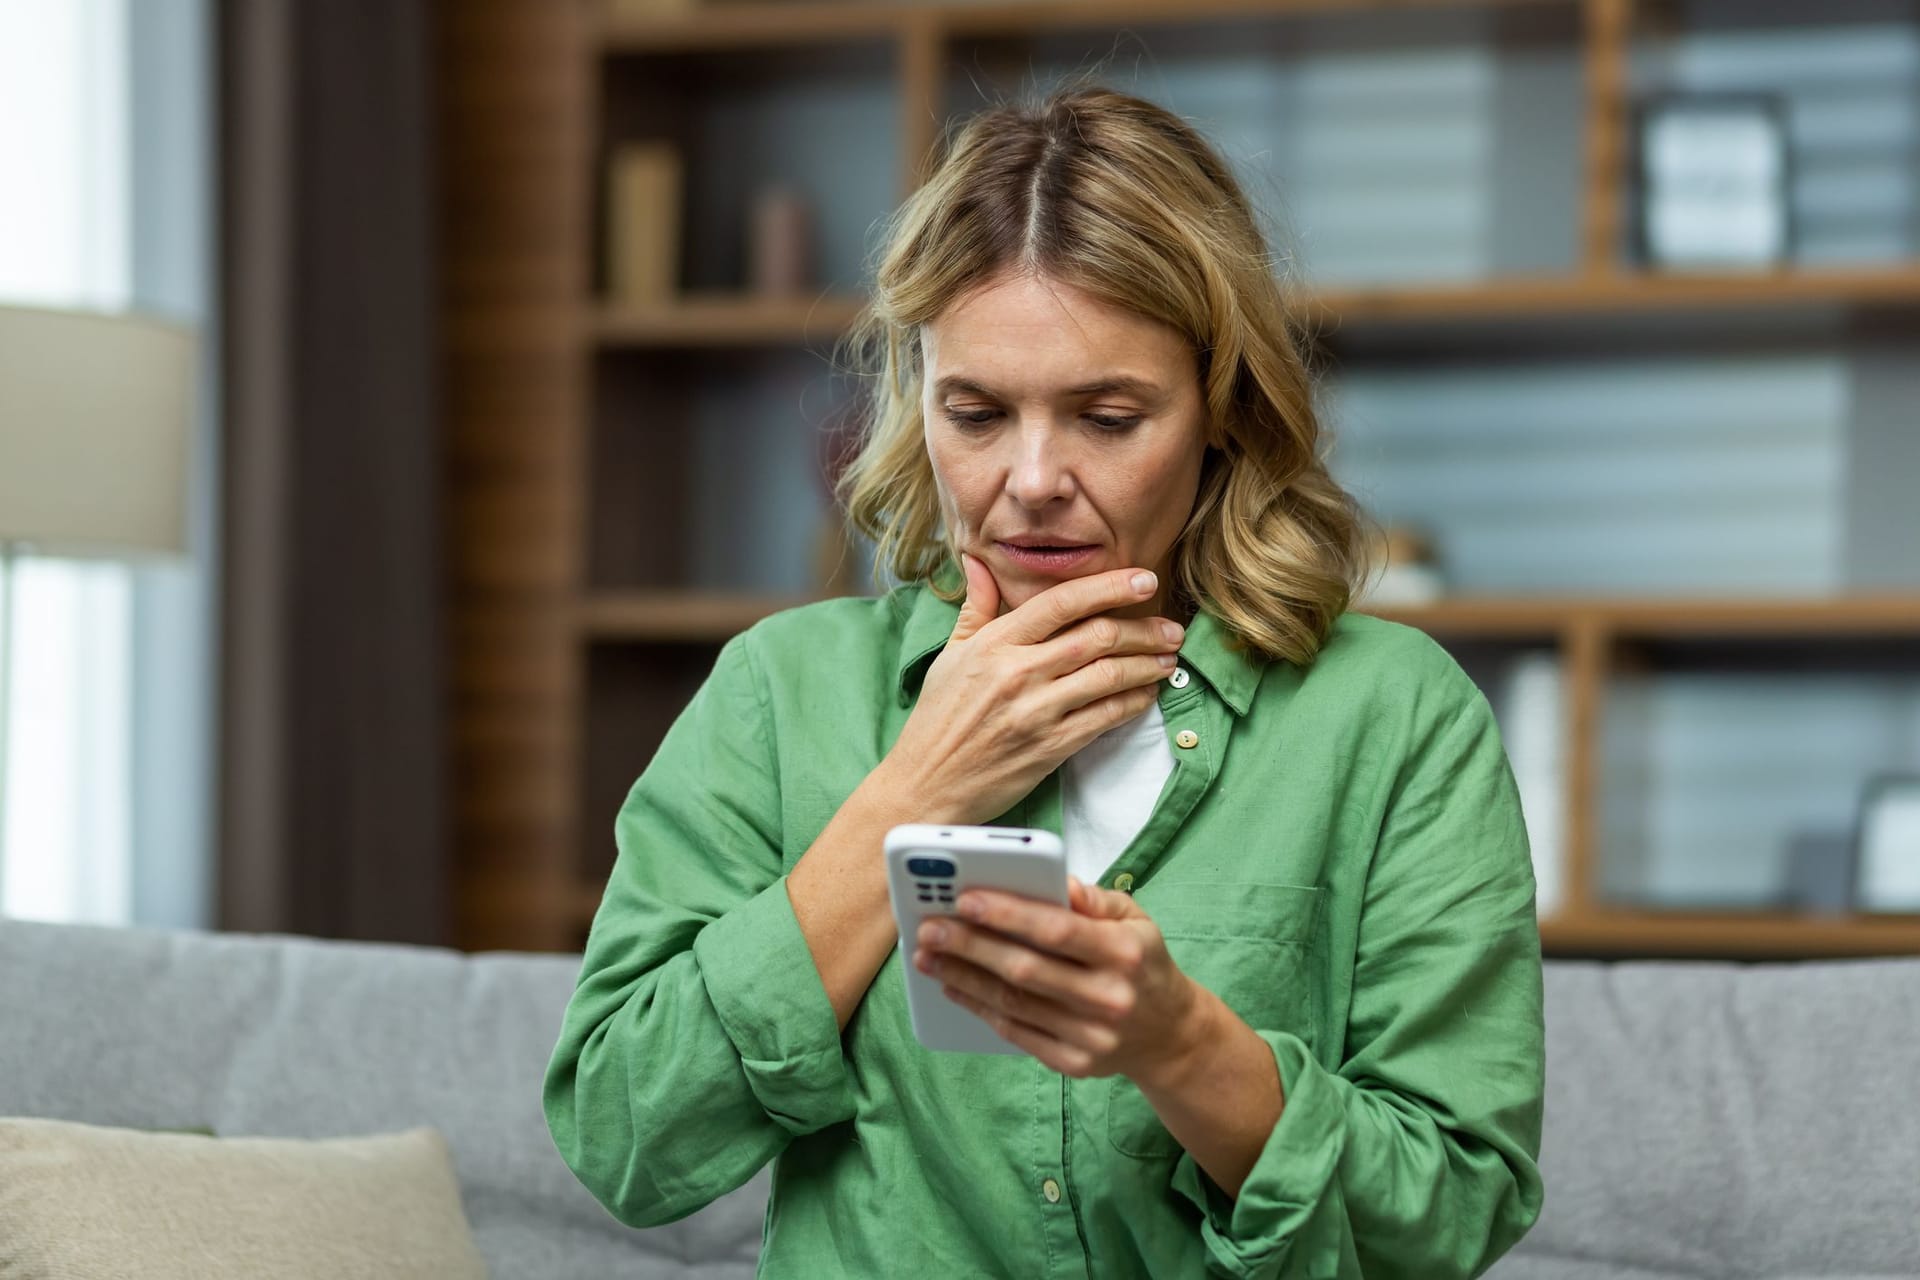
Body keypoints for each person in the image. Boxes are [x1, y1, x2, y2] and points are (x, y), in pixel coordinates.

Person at [545, 84, 1544, 1279]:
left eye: (1109, 417)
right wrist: (915, 789)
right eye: (974, 411)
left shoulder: (1390, 717)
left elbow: (1452, 1211)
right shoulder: (780, 692)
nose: (1030, 480)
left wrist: (1184, 1046)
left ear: (1221, 410)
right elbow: (625, 1137)